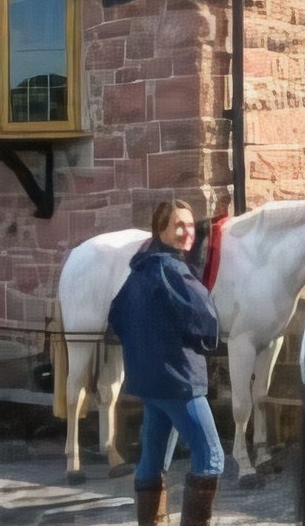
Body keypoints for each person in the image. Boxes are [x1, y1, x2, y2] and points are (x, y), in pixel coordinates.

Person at [108, 200, 223, 526]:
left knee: (153, 460)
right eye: (178, 225)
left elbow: (116, 318)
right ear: (160, 231)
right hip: (180, 383)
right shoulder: (173, 272)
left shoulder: (139, 271)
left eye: (190, 225)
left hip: (150, 384)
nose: (188, 232)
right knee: (211, 457)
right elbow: (207, 324)